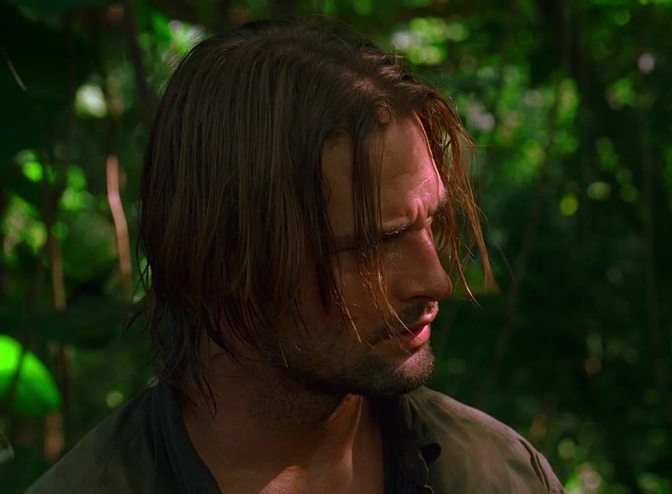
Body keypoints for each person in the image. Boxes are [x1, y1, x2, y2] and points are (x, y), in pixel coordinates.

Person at [27, 17, 564, 494]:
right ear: (225, 260)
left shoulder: (501, 475)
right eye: (373, 244)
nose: (436, 280)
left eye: (430, 223)